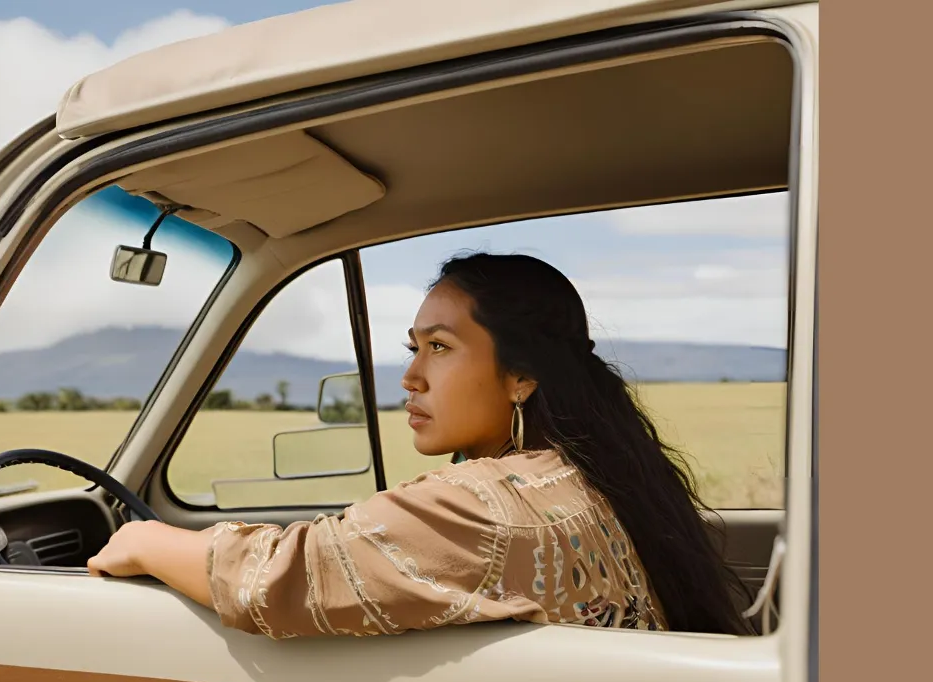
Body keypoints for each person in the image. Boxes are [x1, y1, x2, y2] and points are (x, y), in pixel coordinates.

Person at [87, 253, 753, 638]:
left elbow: (286, 574)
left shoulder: (482, 507)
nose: (409, 376)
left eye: (440, 347)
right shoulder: (586, 476)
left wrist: (144, 542)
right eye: (414, 348)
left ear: (521, 375)